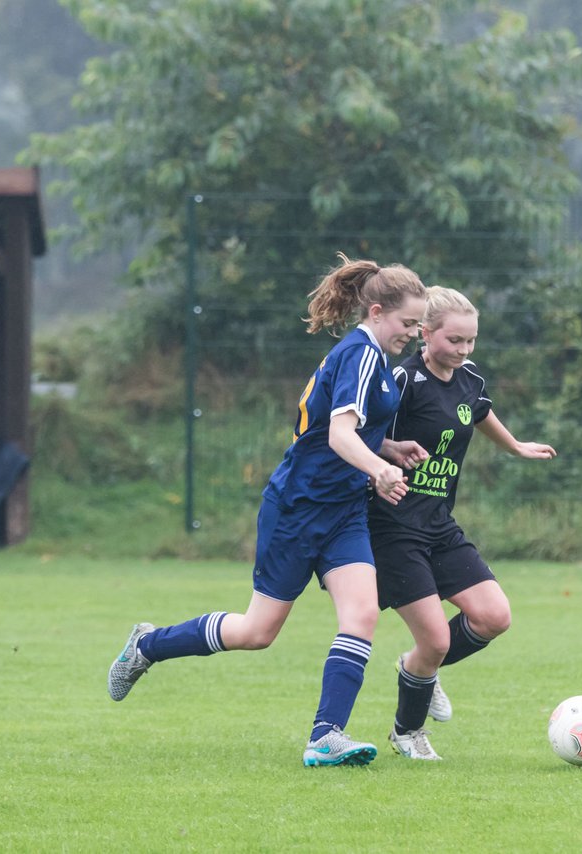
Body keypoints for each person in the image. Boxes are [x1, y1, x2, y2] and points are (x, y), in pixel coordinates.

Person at [108, 253, 429, 767]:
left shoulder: (379, 362)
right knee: (257, 632)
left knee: (362, 613)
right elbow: (338, 434)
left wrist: (388, 450)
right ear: (375, 312)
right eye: (408, 323)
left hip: (343, 511)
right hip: (298, 508)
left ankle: (326, 736)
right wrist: (380, 470)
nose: (414, 333)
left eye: (419, 325)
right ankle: (149, 644)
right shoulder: (362, 356)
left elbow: (348, 431)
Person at [369, 287, 556, 760]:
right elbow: (364, 437)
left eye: (471, 341)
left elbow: (480, 412)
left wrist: (514, 446)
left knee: (494, 616)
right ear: (425, 333)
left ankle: (418, 669)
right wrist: (379, 474)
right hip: (392, 527)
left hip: (438, 524)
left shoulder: (469, 377)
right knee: (433, 638)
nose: (464, 350)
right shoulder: (402, 381)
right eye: (454, 340)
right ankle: (407, 733)